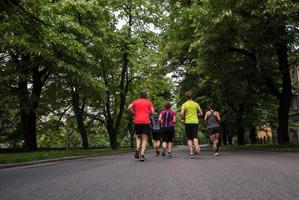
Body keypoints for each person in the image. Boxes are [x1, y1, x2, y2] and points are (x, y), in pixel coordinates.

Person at [128, 90, 155, 162]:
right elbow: (153, 112)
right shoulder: (149, 102)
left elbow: (129, 107)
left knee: (138, 137)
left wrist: (134, 113)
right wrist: (149, 114)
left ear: (140, 95)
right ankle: (142, 155)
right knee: (145, 139)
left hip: (137, 122)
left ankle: (137, 149)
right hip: (145, 122)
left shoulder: (135, 101)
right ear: (146, 95)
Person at [181, 91, 203, 159]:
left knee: (189, 138)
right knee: (195, 137)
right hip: (195, 122)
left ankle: (191, 153)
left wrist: (185, 116)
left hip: (188, 122)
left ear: (186, 97)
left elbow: (181, 113)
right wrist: (196, 114)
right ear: (192, 96)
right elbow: (201, 113)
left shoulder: (184, 104)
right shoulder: (196, 104)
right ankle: (196, 145)